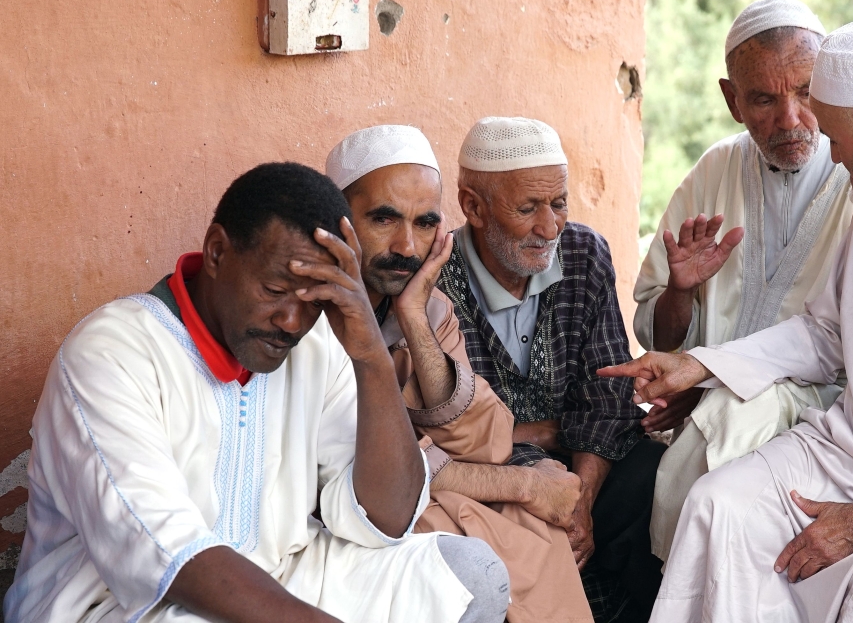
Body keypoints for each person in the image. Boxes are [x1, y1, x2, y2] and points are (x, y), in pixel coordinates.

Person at [602, 17, 853, 623]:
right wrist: (696, 365)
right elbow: (824, 333)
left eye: (837, 142)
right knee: (718, 503)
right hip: (850, 451)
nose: (831, 158)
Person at [4, 163, 510, 623]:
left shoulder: (317, 342)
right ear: (219, 252)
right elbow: (168, 554)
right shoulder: (112, 352)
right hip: (126, 602)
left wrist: (369, 354)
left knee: (463, 577)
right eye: (274, 291)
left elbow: (387, 517)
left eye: (314, 300)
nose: (292, 321)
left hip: (284, 576)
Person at [325, 124, 593, 623]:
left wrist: (413, 316)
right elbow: (371, 473)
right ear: (339, 221)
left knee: (529, 523)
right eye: (384, 219)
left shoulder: (427, 308)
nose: (406, 246)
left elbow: (484, 444)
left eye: (424, 223)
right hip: (343, 516)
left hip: (411, 492)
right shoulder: (310, 317)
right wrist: (524, 486)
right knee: (505, 513)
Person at [634, 0, 853, 564]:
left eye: (805, 91)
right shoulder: (713, 172)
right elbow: (659, 336)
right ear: (732, 100)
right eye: (763, 98)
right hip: (709, 402)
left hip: (827, 414)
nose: (789, 118)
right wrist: (681, 290)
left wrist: (718, 389)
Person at [436, 117, 665, 623]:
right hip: (495, 484)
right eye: (527, 209)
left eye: (558, 203)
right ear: (473, 206)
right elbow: (455, 436)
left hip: (581, 465)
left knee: (656, 478)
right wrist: (534, 449)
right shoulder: (435, 281)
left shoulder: (584, 254)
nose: (549, 227)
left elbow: (606, 401)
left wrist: (578, 497)